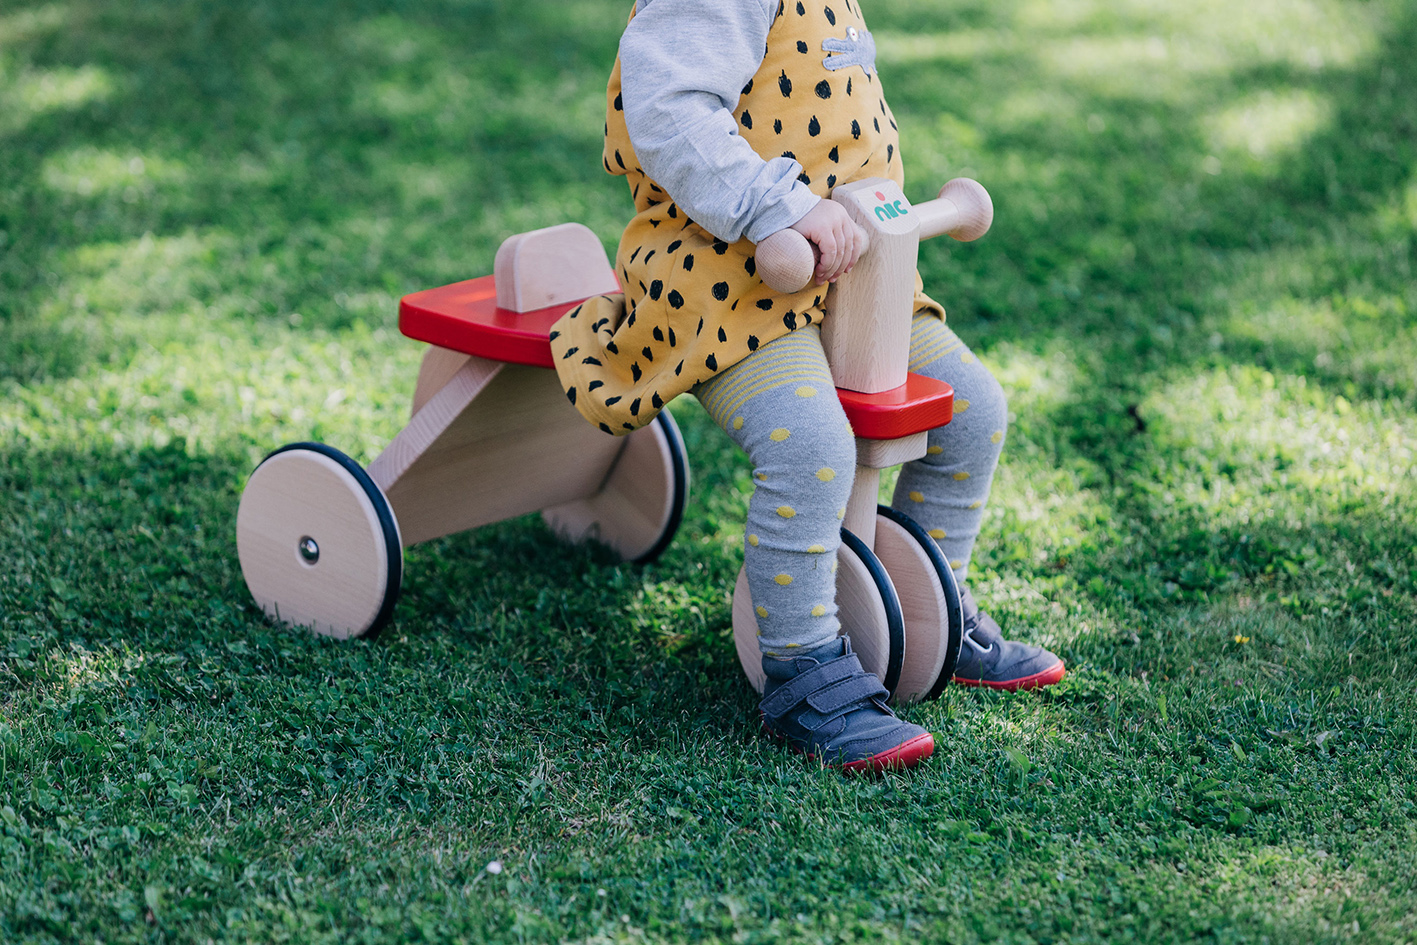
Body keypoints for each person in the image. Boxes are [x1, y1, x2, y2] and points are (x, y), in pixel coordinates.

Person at [550, 0, 1064, 773]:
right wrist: (777, 207)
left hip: (857, 277)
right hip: (728, 282)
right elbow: (665, 108)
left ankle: (935, 604)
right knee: (810, 441)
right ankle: (800, 663)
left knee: (971, 408)